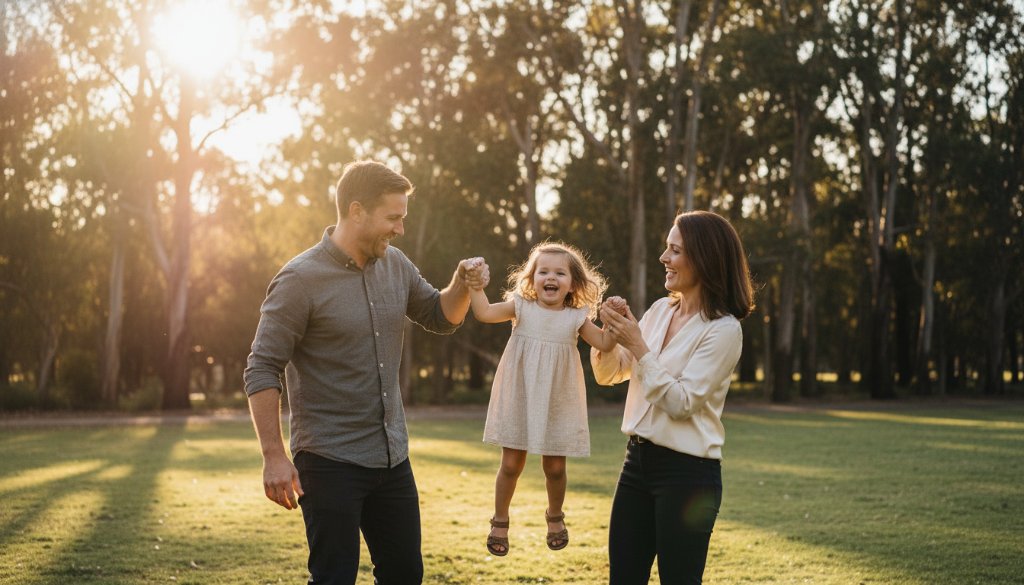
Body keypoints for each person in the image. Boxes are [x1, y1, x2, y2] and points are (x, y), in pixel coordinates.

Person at [243, 160, 489, 585]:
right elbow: (262, 366)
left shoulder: (396, 265)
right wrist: (273, 455)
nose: (400, 229)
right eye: (393, 218)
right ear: (356, 211)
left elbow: (440, 315)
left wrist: (462, 284)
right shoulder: (299, 280)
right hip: (329, 460)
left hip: (392, 458)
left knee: (404, 575)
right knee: (334, 577)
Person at [592, 211, 754, 584]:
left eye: (674, 250)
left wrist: (637, 343)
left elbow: (683, 402)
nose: (664, 258)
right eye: (666, 248)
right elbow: (610, 373)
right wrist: (611, 334)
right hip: (636, 465)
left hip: (688, 476)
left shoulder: (724, 330)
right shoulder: (659, 311)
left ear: (704, 258)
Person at [463, 242, 618, 557]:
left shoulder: (576, 317)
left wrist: (614, 318)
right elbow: (483, 312)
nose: (551, 277)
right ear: (531, 279)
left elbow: (604, 341)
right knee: (511, 463)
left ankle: (555, 517)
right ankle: (500, 520)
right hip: (519, 392)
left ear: (572, 283)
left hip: (558, 399)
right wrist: (476, 286)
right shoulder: (521, 306)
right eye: (543, 271)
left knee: (555, 467)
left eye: (560, 273)